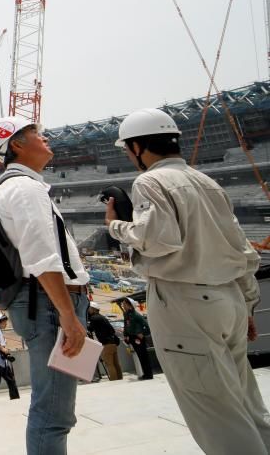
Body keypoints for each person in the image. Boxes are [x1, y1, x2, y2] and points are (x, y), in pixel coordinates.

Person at [106, 108, 270, 454]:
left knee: (215, 413)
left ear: (137, 147)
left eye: (127, 150)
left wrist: (116, 226)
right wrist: (248, 305)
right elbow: (245, 252)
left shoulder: (150, 181)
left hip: (185, 303)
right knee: (247, 403)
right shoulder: (207, 182)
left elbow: (159, 238)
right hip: (230, 300)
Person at [0, 116, 90, 455]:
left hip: (45, 305)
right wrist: (68, 316)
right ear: (16, 144)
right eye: (35, 134)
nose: (44, 138)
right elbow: (43, 258)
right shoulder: (24, 189)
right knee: (54, 413)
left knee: (56, 408)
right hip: (48, 307)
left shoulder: (22, 187)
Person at [115, 298, 152, 380]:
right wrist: (125, 335)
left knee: (143, 356)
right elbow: (126, 325)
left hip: (138, 338)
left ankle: (148, 375)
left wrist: (142, 333)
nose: (123, 306)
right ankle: (145, 374)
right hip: (132, 337)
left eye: (124, 304)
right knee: (139, 356)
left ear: (129, 305)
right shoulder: (126, 314)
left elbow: (147, 326)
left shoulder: (136, 315)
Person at [86, 302, 122, 381]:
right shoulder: (102, 317)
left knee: (109, 364)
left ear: (94, 310)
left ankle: (114, 381)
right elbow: (112, 330)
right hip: (113, 343)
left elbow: (89, 328)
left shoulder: (94, 318)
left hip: (106, 344)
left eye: (89, 309)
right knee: (116, 363)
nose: (88, 311)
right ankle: (120, 379)